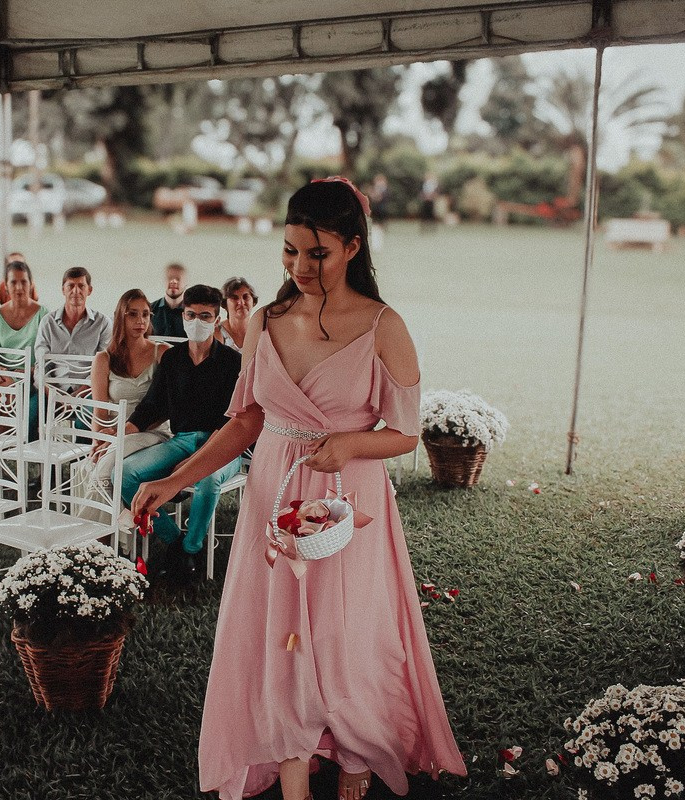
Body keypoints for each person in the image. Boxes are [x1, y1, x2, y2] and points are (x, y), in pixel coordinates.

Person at [132, 179, 467, 800]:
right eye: (290, 252)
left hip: (349, 497)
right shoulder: (265, 320)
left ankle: (359, 749)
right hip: (275, 489)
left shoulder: (383, 326)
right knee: (276, 627)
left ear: (352, 248)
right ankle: (290, 749)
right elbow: (247, 420)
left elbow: (405, 432)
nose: (300, 267)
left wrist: (347, 445)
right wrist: (174, 478)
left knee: (347, 628)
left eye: (317, 253)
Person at [120, 284, 242, 583]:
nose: (196, 321)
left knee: (208, 477)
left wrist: (192, 465)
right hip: (182, 439)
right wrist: (122, 435)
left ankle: (191, 548)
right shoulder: (172, 359)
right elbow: (153, 405)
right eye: (190, 315)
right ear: (183, 315)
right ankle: (174, 541)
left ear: (216, 319)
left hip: (224, 444)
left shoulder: (233, 362)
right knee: (124, 473)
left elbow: (233, 422)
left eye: (205, 315)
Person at [78, 289, 170, 521]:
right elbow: (99, 411)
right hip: (115, 434)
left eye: (146, 314)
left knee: (107, 468)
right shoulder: (104, 359)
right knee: (87, 467)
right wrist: (97, 442)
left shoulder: (162, 353)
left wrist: (117, 437)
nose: (140, 321)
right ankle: (112, 539)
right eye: (132, 314)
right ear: (120, 316)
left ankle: (94, 539)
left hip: (153, 432)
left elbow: (166, 406)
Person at [0, 260, 47, 437]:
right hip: (1, 377)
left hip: (31, 378)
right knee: (2, 388)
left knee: (3, 390)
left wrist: (23, 373)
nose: (19, 287)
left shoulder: (43, 314)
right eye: (13, 282)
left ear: (31, 284)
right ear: (5, 286)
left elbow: (47, 358)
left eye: (23, 281)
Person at [34, 267, 112, 391]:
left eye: (81, 286)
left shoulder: (103, 323)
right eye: (71, 286)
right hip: (52, 390)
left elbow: (103, 367)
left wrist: (78, 396)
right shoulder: (48, 323)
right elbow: (41, 365)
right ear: (63, 290)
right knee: (32, 410)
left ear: (89, 290)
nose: (76, 291)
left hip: (88, 391)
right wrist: (54, 396)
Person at [216, 277, 258, 352]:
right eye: (234, 298)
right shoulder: (216, 332)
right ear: (225, 304)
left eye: (246, 297)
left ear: (253, 301)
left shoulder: (261, 331)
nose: (241, 302)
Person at [149, 262, 187, 339]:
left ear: (186, 282)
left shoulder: (194, 313)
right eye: (169, 278)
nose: (173, 281)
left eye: (178, 278)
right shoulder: (148, 310)